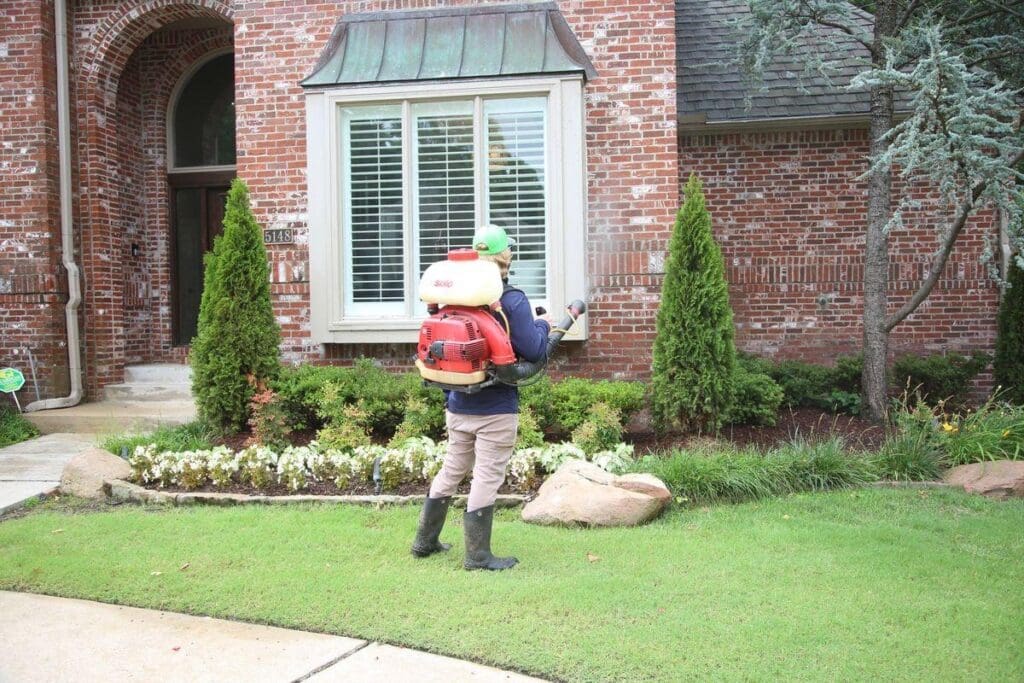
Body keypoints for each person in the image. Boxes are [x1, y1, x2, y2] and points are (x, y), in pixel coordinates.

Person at [410, 224, 551, 571]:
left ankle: (424, 541)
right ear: (506, 257)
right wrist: (545, 325)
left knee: (452, 469)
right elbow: (533, 348)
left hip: (457, 404)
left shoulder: (455, 300)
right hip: (496, 409)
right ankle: (477, 555)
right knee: (487, 476)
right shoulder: (512, 299)